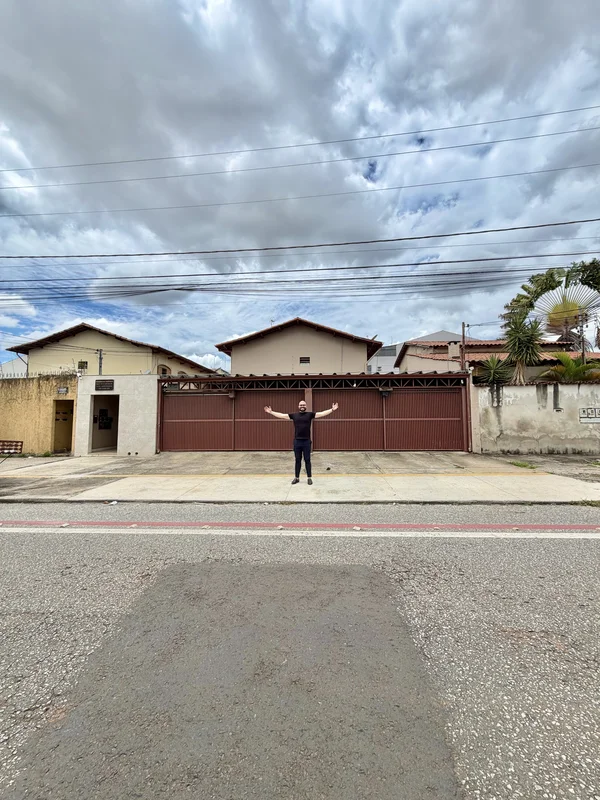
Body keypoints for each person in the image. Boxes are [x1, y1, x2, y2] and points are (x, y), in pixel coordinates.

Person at [264, 399, 339, 484]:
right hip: (297, 442)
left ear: (306, 406)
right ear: (298, 406)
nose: (302, 406)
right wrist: (271, 412)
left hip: (306, 441)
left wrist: (332, 410)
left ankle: (309, 478)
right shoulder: (294, 415)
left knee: (307, 460)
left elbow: (321, 413)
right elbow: (282, 415)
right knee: (297, 460)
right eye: (301, 405)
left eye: (303, 405)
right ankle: (297, 478)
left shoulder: (310, 415)